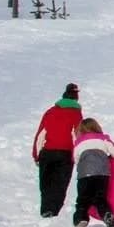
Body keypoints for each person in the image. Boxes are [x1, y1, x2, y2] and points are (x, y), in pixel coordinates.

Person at [33, 83, 82, 217]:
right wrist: (78, 155)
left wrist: (36, 155)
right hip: (65, 154)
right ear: (76, 99)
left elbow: (41, 134)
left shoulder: (50, 111)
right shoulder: (76, 114)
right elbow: (77, 136)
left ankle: (45, 212)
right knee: (60, 185)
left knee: (46, 184)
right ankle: (53, 212)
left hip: (46, 153)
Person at [69, 117, 114, 227]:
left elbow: (75, 159)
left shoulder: (79, 143)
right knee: (100, 199)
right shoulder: (103, 139)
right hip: (102, 174)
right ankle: (108, 215)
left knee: (83, 201)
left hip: (84, 175)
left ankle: (80, 224)